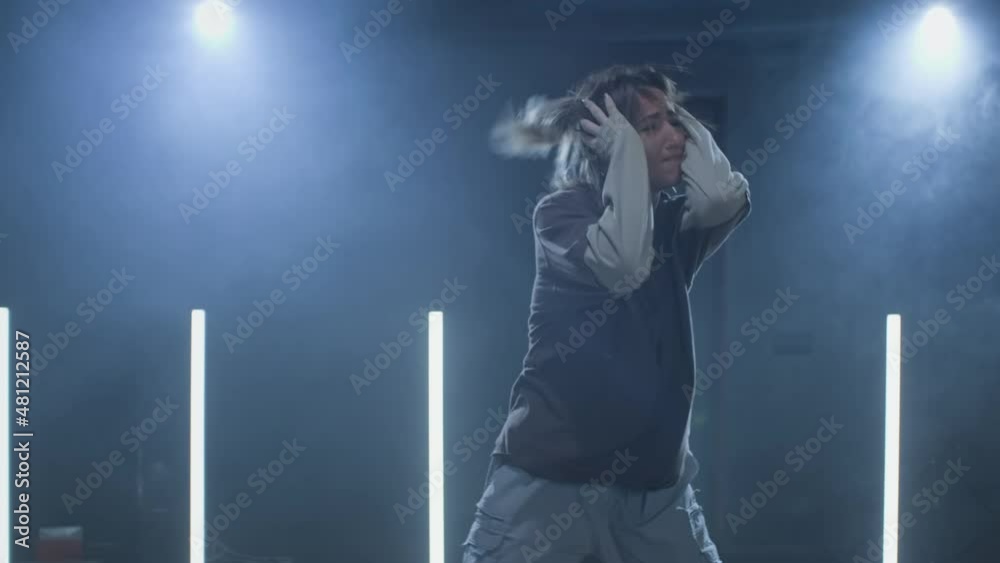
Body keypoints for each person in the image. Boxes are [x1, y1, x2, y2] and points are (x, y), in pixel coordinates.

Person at [461, 64, 751, 563]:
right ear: (608, 142)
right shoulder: (563, 214)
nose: (674, 137)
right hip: (547, 491)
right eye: (649, 126)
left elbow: (724, 197)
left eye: (675, 120)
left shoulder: (671, 226)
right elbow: (622, 262)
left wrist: (680, 126)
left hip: (655, 495)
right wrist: (625, 157)